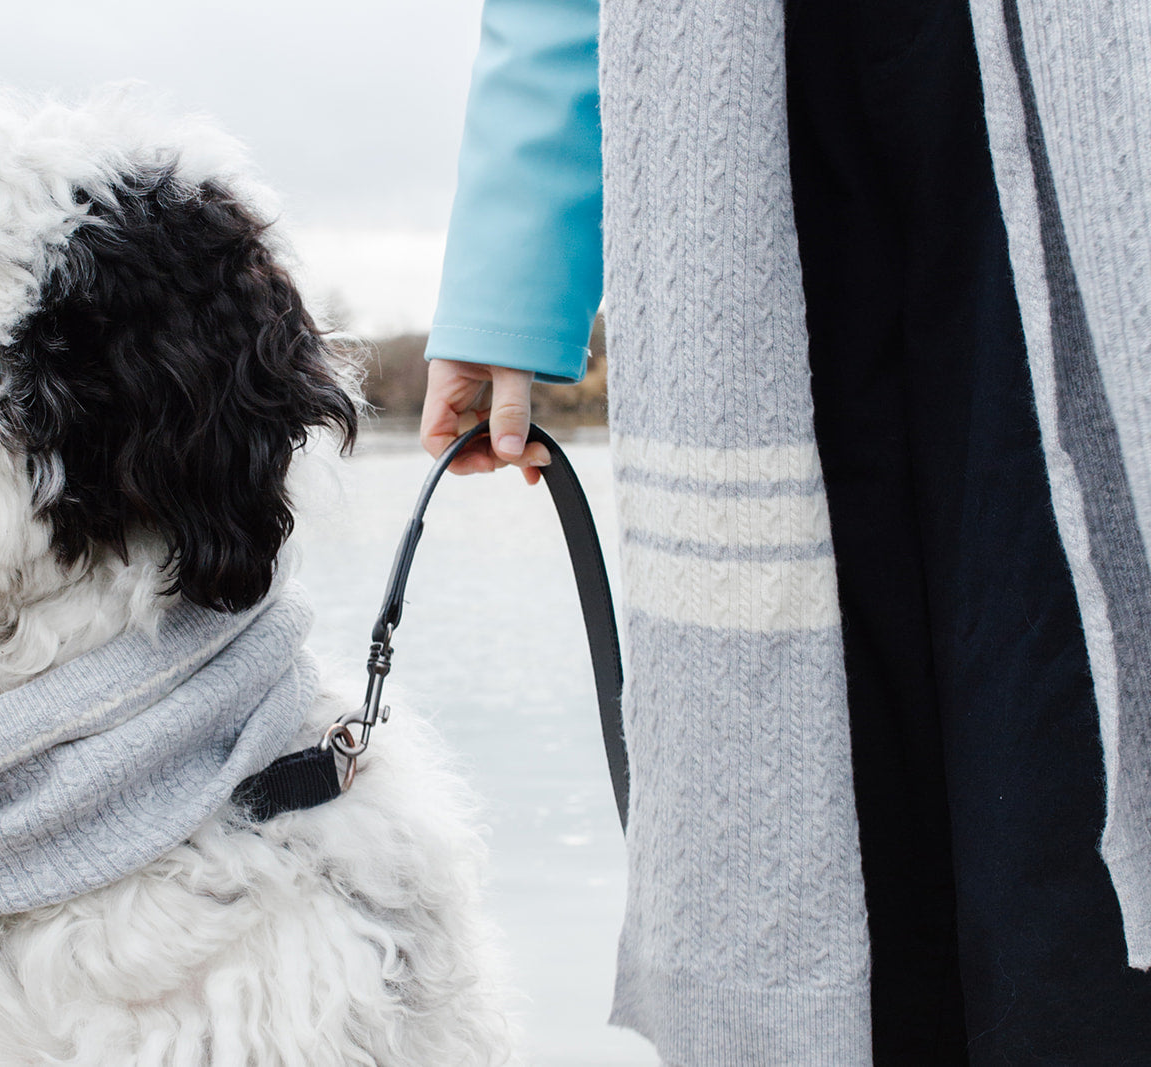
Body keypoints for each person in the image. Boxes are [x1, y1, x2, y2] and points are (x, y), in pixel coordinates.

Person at [418, 1, 1151, 1063]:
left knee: (1068, 726)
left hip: (1074, 89)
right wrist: (512, 277)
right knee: (821, 805)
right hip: (744, 121)